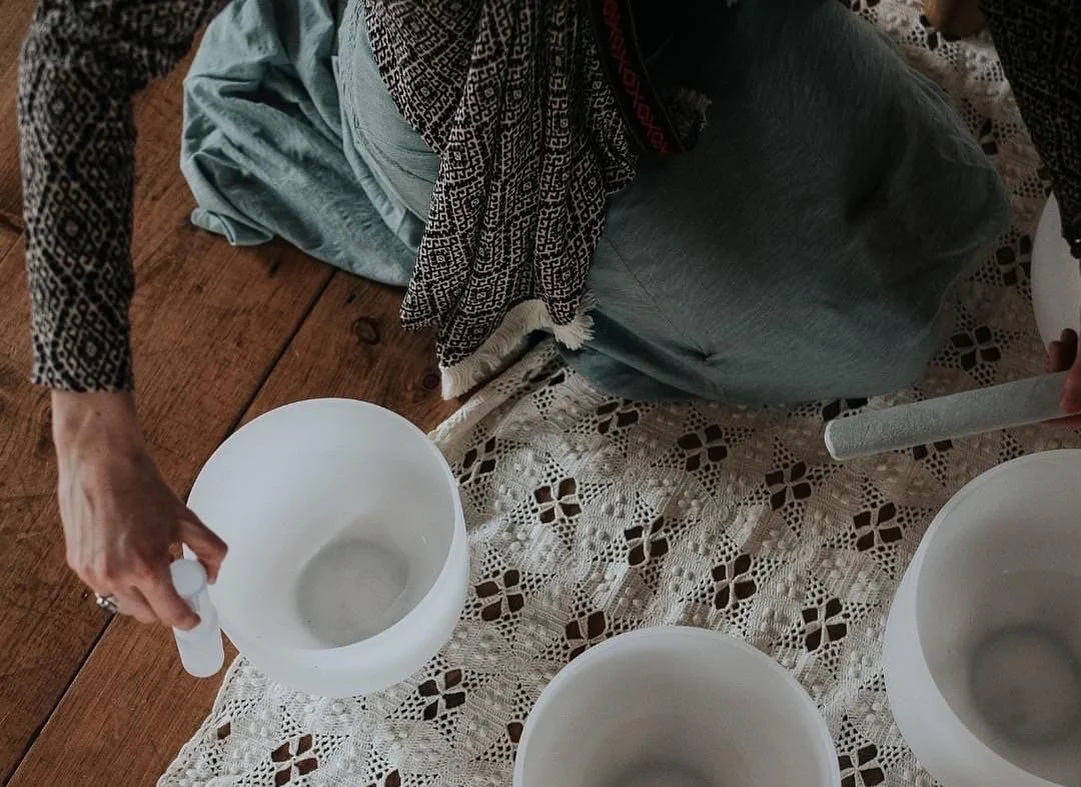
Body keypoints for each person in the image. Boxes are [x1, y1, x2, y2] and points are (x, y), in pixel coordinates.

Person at [18, 0, 1081, 631]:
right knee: (874, 328)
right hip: (477, 81)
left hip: (689, 27)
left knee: (933, 226)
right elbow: (81, 43)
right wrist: (88, 432)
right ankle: (342, 109)